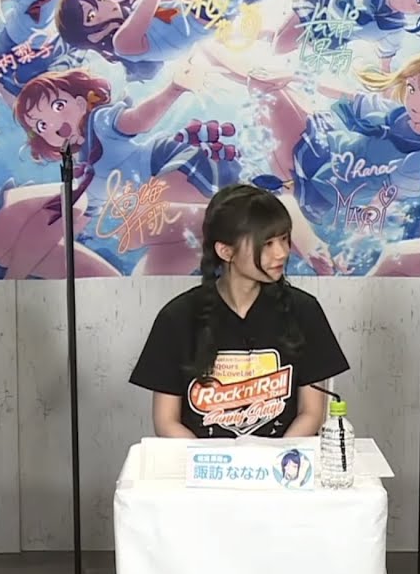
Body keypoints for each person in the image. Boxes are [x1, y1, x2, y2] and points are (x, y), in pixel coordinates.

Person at [129, 183, 350, 438]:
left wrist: (277, 459)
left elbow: (311, 413)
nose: (282, 253)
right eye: (267, 243)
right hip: (200, 461)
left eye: (284, 239)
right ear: (226, 251)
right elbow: (166, 421)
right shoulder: (177, 317)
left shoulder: (305, 311)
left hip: (284, 460)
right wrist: (209, 461)